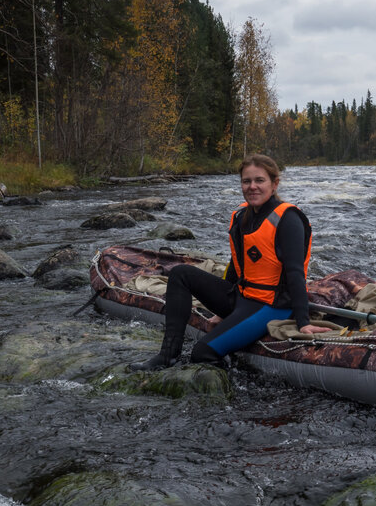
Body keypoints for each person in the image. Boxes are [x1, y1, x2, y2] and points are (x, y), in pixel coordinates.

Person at [129, 154, 333, 370]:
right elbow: (237, 265)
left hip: (272, 307)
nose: (252, 186)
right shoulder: (242, 216)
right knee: (180, 273)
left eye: (259, 180)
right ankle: (167, 355)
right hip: (242, 298)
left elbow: (295, 273)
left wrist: (303, 323)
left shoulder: (288, 219)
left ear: (274, 184)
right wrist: (221, 310)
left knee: (202, 353)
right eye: (246, 181)